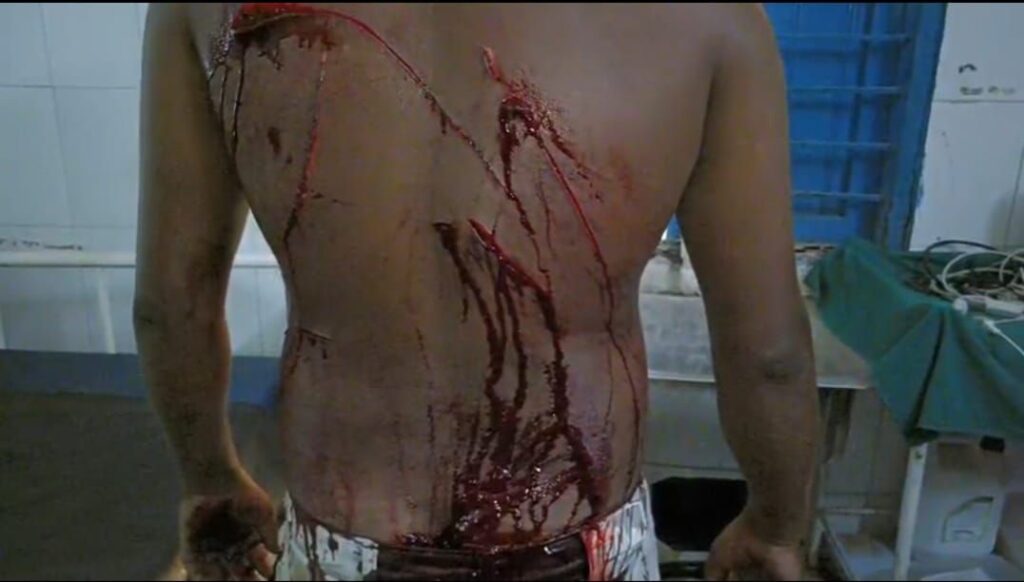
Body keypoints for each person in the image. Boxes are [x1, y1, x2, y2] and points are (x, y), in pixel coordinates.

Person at [135, 3, 819, 580]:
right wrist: (776, 526)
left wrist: (210, 479)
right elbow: (769, 353)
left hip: (340, 544)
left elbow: (171, 304)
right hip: (588, 545)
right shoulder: (710, 18)